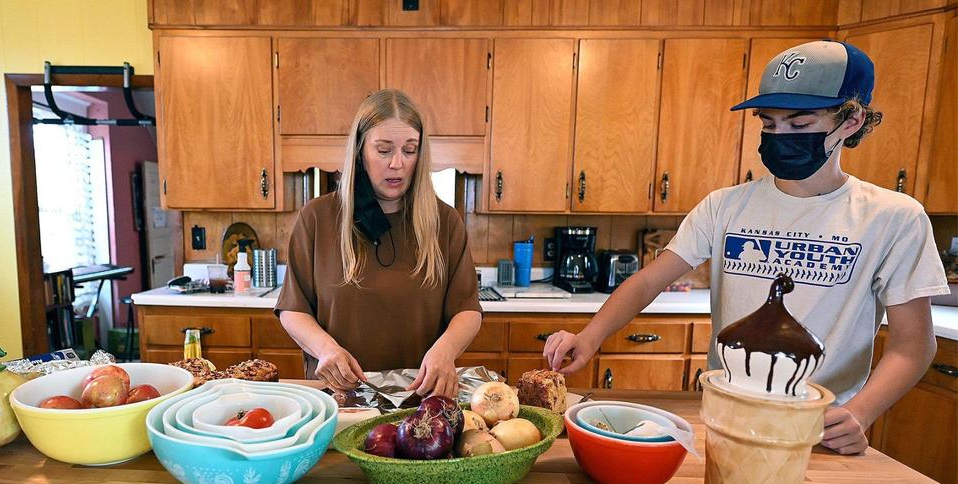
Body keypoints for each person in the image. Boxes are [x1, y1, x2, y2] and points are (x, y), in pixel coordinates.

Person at [543, 40, 949, 455]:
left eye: (799, 124)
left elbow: (912, 345)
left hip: (819, 430)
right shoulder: (726, 206)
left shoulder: (894, 218)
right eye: (769, 124)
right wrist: (590, 336)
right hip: (727, 418)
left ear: (851, 120)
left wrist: (860, 413)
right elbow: (648, 282)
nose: (779, 136)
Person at [276, 89, 483, 398]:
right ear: (360, 151)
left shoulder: (445, 222)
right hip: (340, 397)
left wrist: (446, 351)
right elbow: (294, 309)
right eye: (384, 150)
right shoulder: (317, 218)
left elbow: (467, 311)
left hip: (421, 402)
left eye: (409, 150)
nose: (397, 163)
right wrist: (325, 349)